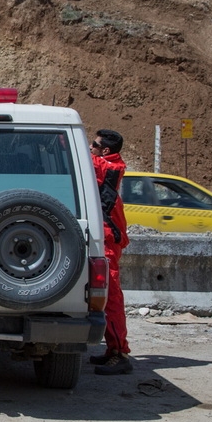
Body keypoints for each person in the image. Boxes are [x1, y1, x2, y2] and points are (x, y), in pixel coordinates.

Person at [90, 128, 131, 376]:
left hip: (108, 240)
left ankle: (120, 353)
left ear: (105, 150)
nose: (90, 148)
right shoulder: (107, 165)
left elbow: (88, 162)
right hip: (106, 239)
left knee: (112, 298)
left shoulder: (110, 168)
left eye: (94, 145)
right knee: (108, 297)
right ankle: (112, 351)